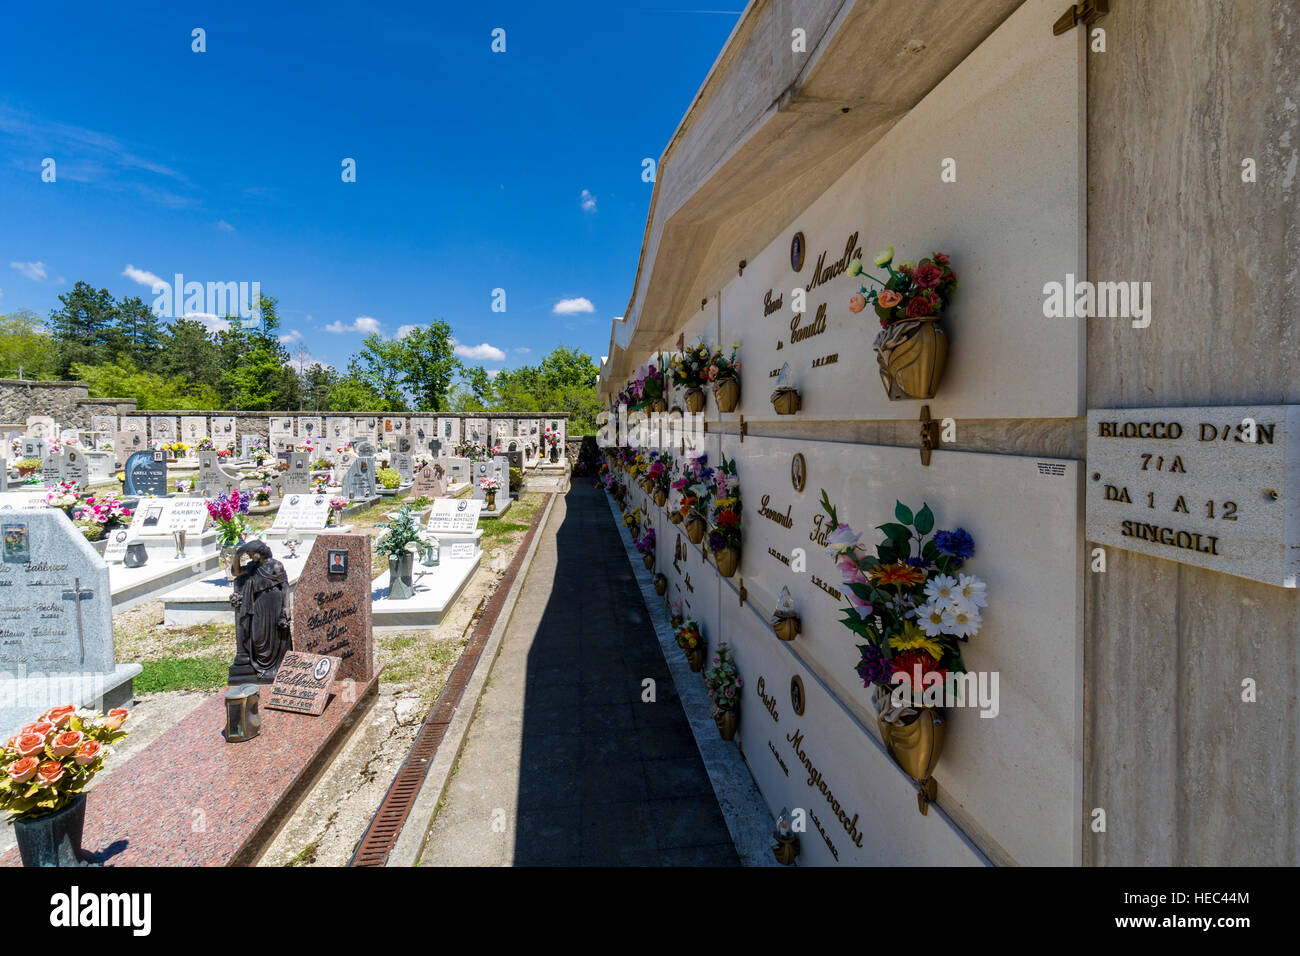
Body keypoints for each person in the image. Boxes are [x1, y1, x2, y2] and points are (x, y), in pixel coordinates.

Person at [228, 540, 292, 683]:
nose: (250, 557)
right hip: (259, 603)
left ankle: (274, 666)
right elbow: (235, 572)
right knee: (257, 635)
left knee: (274, 634)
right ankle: (261, 665)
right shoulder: (252, 567)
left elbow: (285, 587)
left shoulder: (276, 565)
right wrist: (237, 555)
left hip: (274, 602)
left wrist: (286, 608)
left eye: (250, 554)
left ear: (258, 553)